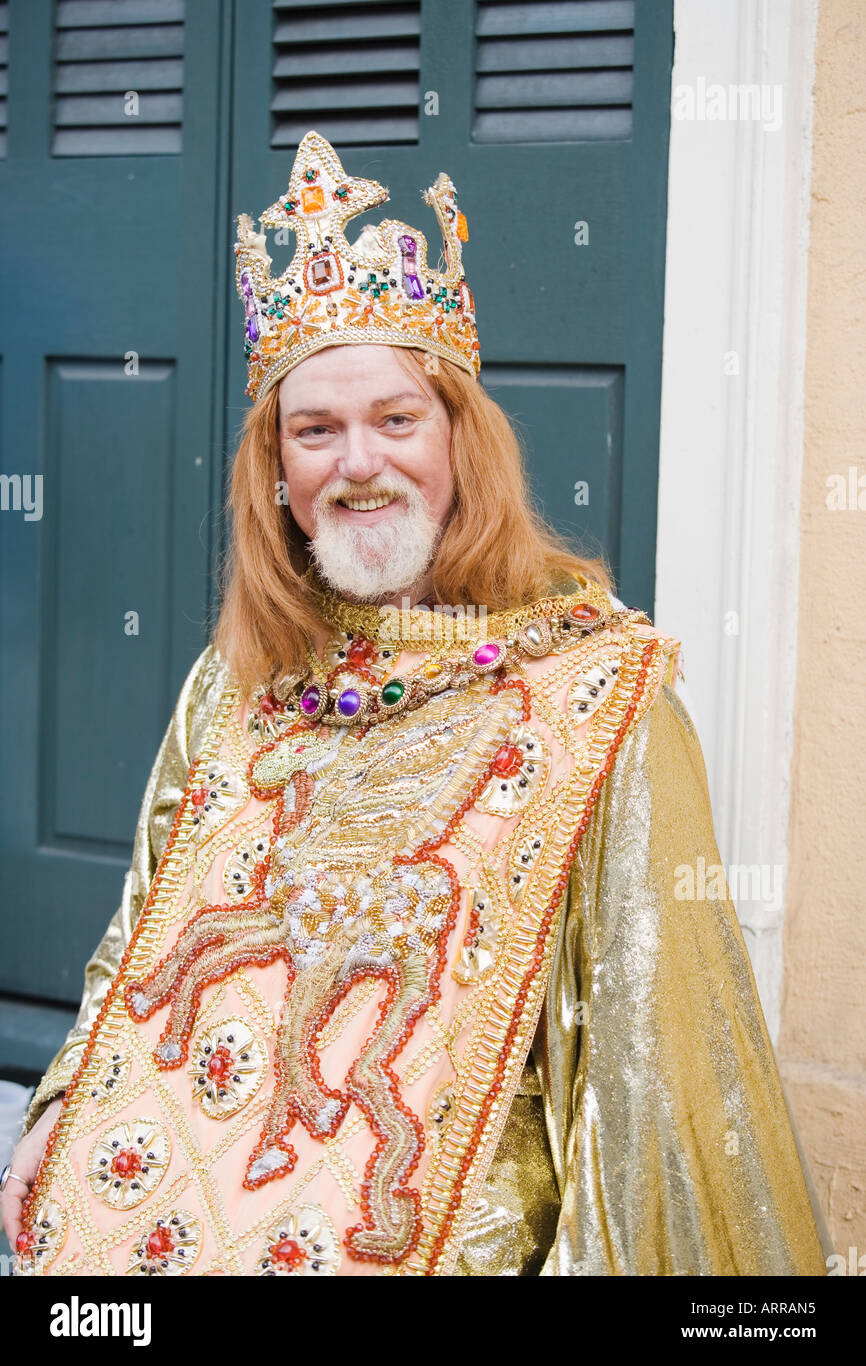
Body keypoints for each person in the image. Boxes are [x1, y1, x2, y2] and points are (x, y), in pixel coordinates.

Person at [2, 132, 826, 1277]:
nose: (357, 464)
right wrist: (60, 1099)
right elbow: (146, 932)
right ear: (276, 474)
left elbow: (654, 1076)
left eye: (396, 419)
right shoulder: (235, 681)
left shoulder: (603, 703)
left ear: (460, 441)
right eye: (314, 429)